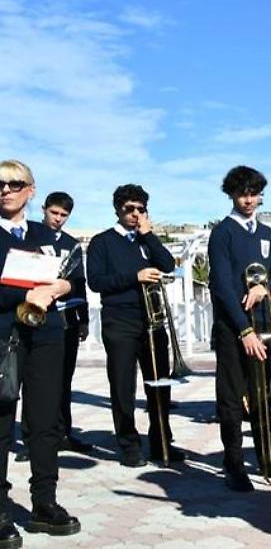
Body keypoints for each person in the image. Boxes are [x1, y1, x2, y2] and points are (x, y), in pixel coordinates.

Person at [207, 165, 271, 492]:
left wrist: (264, 289)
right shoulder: (223, 233)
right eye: (242, 193)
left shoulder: (267, 234)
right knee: (232, 396)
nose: (248, 200)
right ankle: (233, 462)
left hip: (264, 323)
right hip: (234, 326)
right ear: (232, 195)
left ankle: (267, 455)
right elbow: (221, 286)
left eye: (254, 193)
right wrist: (243, 331)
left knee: (264, 394)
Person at [0, 160, 81, 539]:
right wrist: (24, 292)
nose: (5, 190)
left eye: (15, 184)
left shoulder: (44, 234)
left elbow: (72, 278)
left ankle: (44, 503)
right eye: (0, 184)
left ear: (31, 190)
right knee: (1, 421)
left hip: (46, 336)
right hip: (3, 337)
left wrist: (61, 288)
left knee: (45, 422)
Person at [87, 184, 182, 466]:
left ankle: (161, 439)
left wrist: (149, 235)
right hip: (120, 321)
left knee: (159, 384)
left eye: (141, 209)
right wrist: (135, 276)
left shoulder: (146, 239)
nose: (135, 214)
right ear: (117, 209)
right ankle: (129, 444)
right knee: (122, 385)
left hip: (152, 322)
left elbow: (166, 264)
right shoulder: (102, 241)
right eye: (130, 209)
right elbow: (96, 281)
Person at [40, 192, 93, 454]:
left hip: (68, 320)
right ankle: (33, 438)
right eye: (54, 213)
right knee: (37, 381)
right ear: (44, 210)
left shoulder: (72, 244)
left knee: (64, 379)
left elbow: (80, 283)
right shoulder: (31, 236)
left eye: (63, 215)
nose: (58, 219)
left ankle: (64, 432)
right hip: (38, 317)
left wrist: (83, 319)